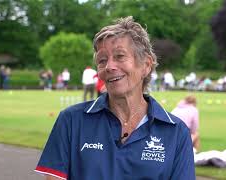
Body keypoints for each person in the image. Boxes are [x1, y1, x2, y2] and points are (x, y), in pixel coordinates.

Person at [35, 16, 195, 180]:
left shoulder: (176, 132)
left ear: (146, 65)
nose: (109, 66)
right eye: (102, 60)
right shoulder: (71, 121)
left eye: (119, 56)